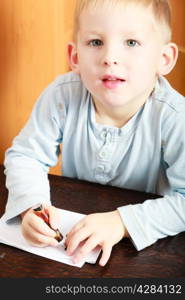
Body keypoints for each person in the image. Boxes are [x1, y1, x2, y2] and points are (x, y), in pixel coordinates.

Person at [3, 0, 185, 267]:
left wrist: (122, 222)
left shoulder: (175, 117)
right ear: (75, 57)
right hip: (74, 237)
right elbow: (26, 156)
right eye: (96, 42)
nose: (110, 57)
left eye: (131, 42)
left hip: (144, 252)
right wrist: (32, 206)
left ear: (163, 59)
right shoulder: (61, 95)